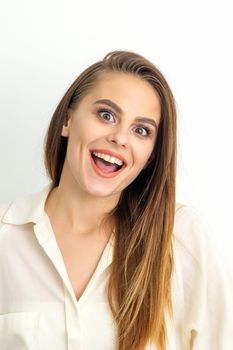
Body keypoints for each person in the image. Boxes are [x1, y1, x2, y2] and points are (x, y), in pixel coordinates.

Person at [0, 50, 232, 350]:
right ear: (67, 120)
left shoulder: (182, 237)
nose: (121, 138)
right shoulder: (5, 239)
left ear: (151, 156)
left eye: (141, 130)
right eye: (106, 115)